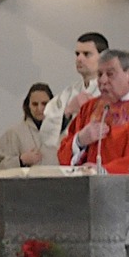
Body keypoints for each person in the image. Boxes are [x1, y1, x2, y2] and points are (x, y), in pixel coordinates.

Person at [39, 33, 107, 161]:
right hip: (70, 160)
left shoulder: (112, 91)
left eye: (86, 54)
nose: (79, 59)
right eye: (77, 54)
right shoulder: (68, 93)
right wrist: (68, 111)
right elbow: (46, 136)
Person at [0, 83, 53, 172]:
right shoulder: (13, 133)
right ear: (28, 106)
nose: (39, 108)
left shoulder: (63, 134)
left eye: (44, 103)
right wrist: (20, 160)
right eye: (35, 104)